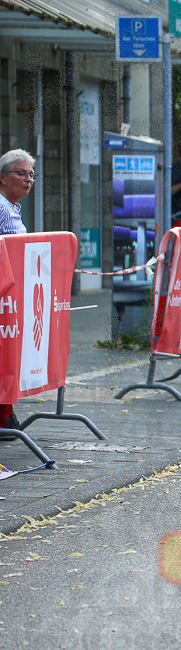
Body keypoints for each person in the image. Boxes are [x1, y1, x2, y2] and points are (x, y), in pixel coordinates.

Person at [0, 149, 37, 437]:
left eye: (31, 175)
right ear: (3, 177)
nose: (28, 180)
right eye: (20, 173)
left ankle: (7, 415)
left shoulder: (11, 206)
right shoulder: (1, 206)